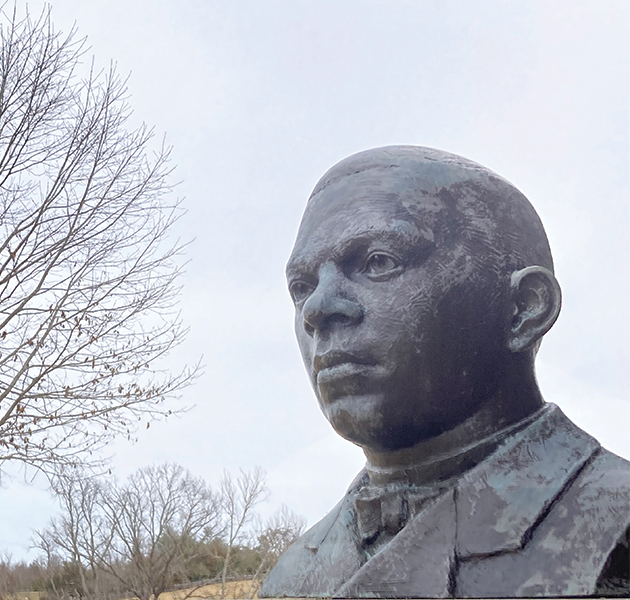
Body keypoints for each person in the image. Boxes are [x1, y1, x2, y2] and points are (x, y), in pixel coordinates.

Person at [261, 146, 630, 598]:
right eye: (302, 287)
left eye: (379, 261)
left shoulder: (616, 518)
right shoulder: (291, 576)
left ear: (523, 308)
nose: (316, 309)